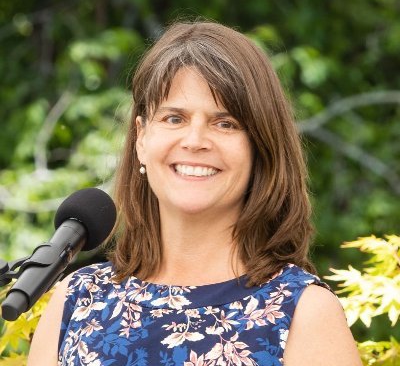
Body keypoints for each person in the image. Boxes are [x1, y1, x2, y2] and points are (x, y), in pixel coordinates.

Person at [28, 21, 362, 365]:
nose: (195, 141)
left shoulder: (304, 312)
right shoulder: (77, 300)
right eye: (174, 119)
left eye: (225, 123)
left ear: (260, 147)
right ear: (142, 138)